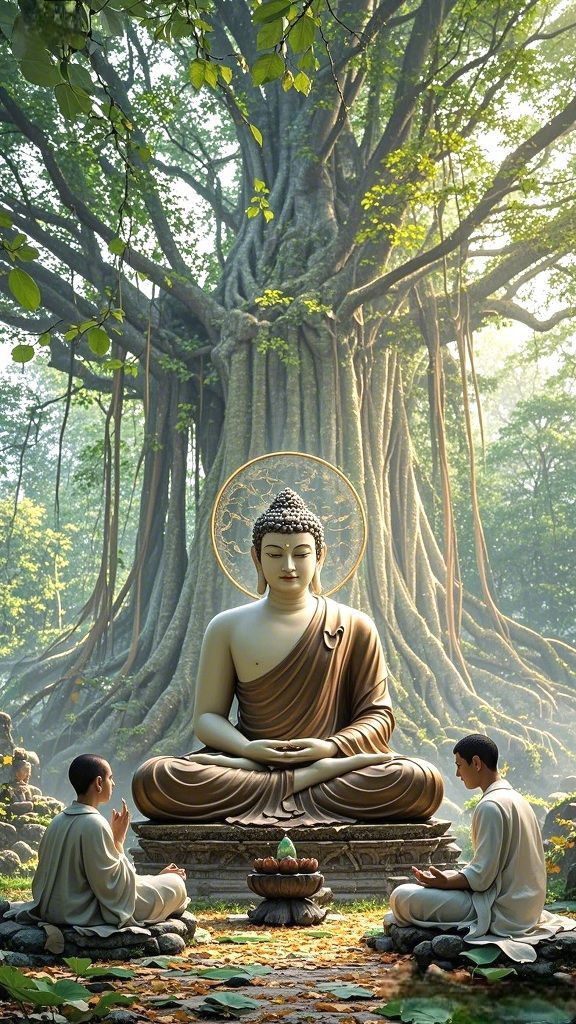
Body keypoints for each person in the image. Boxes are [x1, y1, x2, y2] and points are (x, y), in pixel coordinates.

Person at [133, 488, 443, 825]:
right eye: (275, 554)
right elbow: (207, 718)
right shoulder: (226, 627)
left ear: (320, 557)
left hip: (328, 769)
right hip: (253, 765)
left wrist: (330, 749)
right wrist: (248, 750)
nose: (289, 565)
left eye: (301, 553)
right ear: (256, 558)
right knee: (157, 778)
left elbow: (378, 718)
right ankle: (296, 784)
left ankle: (293, 783)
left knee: (420, 780)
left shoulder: (355, 625)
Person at [387, 733, 576, 961]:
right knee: (417, 894)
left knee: (402, 896)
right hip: (526, 909)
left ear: (476, 763)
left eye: (459, 765)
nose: (457, 774)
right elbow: (490, 868)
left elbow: (482, 879)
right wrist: (450, 878)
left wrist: (446, 883)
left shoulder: (490, 806)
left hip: (499, 911)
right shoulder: (517, 800)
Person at [15, 754, 188, 934]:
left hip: (53, 909)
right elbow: (114, 888)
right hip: (85, 912)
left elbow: (101, 877)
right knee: (175, 883)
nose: (113, 784)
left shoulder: (57, 820)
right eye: (110, 778)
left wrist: (152, 878)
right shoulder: (94, 823)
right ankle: (168, 884)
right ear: (99, 782)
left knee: (159, 880)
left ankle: (159, 880)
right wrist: (118, 841)